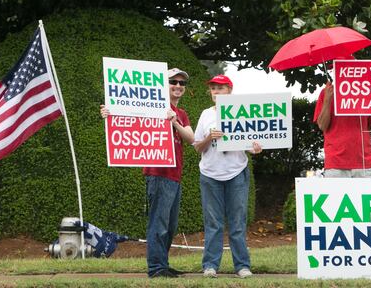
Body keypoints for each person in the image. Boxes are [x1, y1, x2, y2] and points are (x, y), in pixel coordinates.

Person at [100, 67, 195, 278]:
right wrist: (109, 112)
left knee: (170, 226)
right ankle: (156, 268)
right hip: (158, 173)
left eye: (182, 83)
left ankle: (162, 263)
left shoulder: (181, 114)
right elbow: (126, 116)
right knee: (158, 223)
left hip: (175, 175)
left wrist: (174, 122)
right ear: (163, 85)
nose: (178, 86)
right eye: (174, 82)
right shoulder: (151, 106)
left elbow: (191, 137)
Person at [193, 74, 262, 278]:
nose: (216, 91)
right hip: (210, 174)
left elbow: (252, 144)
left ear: (230, 91)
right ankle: (210, 266)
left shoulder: (243, 112)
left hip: (236, 172)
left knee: (237, 222)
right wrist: (209, 137)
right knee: (213, 222)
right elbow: (198, 147)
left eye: (221, 88)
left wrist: (256, 148)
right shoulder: (206, 114)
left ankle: (242, 266)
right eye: (213, 88)